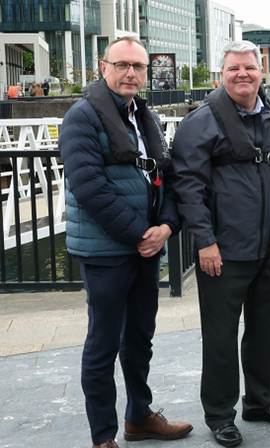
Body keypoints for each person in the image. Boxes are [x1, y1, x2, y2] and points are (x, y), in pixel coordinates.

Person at [170, 40, 270, 447]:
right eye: (234, 69)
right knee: (220, 337)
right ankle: (219, 414)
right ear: (222, 73)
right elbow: (189, 188)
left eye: (249, 68)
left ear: (261, 71)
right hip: (225, 252)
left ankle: (259, 401)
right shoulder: (201, 123)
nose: (242, 75)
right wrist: (204, 242)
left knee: (265, 330)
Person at [60, 36, 192, 448]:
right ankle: (103, 437)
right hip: (106, 252)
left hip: (146, 249)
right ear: (104, 68)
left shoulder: (143, 116)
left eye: (138, 66)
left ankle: (138, 416)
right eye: (122, 65)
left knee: (139, 338)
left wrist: (167, 226)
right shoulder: (82, 117)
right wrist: (141, 235)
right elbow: (89, 189)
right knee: (102, 345)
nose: (131, 73)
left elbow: (166, 175)